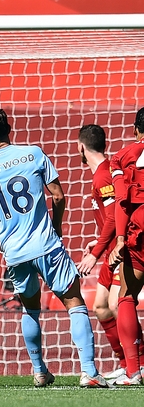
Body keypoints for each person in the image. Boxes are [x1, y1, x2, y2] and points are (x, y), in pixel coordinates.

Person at [0, 108, 107, 388]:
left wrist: (1, 227)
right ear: (9, 129)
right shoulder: (33, 153)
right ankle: (89, 372)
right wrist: (56, 228)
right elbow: (58, 196)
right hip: (45, 244)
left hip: (15, 251)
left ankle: (38, 370)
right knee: (74, 303)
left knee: (31, 310)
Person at [76, 125, 144, 380]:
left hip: (124, 243)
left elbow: (118, 213)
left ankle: (136, 365)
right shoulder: (103, 173)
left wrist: (104, 248)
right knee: (102, 306)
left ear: (80, 147)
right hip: (113, 245)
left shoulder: (106, 174)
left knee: (120, 302)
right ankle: (127, 363)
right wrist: (99, 243)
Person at [107, 106, 144, 386]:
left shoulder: (122, 157)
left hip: (141, 226)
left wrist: (120, 238)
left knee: (127, 296)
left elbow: (122, 199)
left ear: (135, 130)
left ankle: (134, 370)